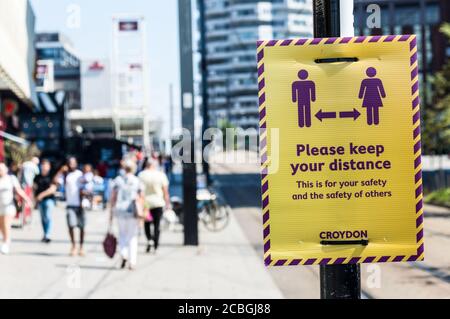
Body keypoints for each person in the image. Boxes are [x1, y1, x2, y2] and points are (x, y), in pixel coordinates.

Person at [110, 160, 144, 270]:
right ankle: (132, 261)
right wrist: (142, 213)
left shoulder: (118, 180)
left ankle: (124, 254)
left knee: (122, 234)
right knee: (132, 236)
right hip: (132, 211)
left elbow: (113, 197)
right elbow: (141, 197)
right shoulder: (137, 181)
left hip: (120, 211)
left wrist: (111, 211)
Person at [138, 158, 170, 253]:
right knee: (157, 224)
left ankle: (149, 239)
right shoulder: (161, 175)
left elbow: (139, 191)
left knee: (147, 224)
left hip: (145, 203)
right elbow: (165, 191)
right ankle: (156, 244)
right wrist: (167, 203)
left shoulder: (141, 175)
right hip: (158, 203)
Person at [0, 162, 32, 254]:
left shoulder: (11, 178)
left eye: (2, 169)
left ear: (6, 170)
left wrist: (27, 199)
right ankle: (5, 239)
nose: (0, 171)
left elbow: (19, 190)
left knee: (6, 224)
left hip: (9, 206)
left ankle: (6, 243)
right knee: (1, 226)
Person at [63, 157, 85, 257]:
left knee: (81, 227)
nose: (72, 165)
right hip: (70, 204)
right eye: (70, 163)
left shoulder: (80, 174)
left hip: (80, 205)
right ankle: (73, 245)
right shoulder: (65, 175)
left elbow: (84, 187)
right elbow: (55, 181)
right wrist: (61, 171)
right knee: (71, 225)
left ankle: (81, 247)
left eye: (73, 163)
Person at [34, 159, 57, 243]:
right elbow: (34, 188)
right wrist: (35, 200)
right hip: (40, 201)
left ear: (49, 167)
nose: (44, 167)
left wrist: (41, 195)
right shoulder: (37, 177)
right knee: (43, 218)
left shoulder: (51, 177)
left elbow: (52, 189)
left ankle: (48, 234)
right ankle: (45, 233)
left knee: (48, 217)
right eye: (42, 165)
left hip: (49, 200)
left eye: (46, 165)